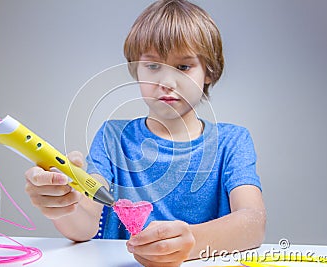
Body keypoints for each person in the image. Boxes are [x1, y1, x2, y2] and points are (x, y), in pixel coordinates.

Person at [24, 0, 266, 266]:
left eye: (183, 67)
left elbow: (252, 222)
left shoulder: (232, 142)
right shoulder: (112, 138)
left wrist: (190, 242)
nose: (166, 82)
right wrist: (63, 206)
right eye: (152, 66)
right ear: (135, 69)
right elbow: (84, 224)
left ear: (208, 71)